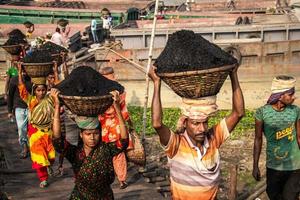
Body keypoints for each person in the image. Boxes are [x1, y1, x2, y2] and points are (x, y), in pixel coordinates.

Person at [148, 65, 245, 199]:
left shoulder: (213, 138)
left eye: (205, 122)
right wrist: (156, 83)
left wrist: (233, 74)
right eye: (195, 123)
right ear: (185, 122)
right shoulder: (176, 144)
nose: (202, 128)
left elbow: (238, 113)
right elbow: (157, 124)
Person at [52, 90, 129, 199]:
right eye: (88, 134)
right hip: (81, 196)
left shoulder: (106, 149)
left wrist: (116, 108)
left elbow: (124, 140)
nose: (92, 137)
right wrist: (57, 106)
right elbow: (57, 139)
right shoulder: (74, 152)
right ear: (81, 135)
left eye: (96, 133)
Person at [252, 75, 300, 200]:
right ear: (280, 95)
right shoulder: (262, 112)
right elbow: (258, 139)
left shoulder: (295, 111)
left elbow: (299, 137)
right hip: (274, 165)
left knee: (290, 196)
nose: (294, 97)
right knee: (273, 194)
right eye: (290, 94)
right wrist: (255, 165)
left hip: (294, 165)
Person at [17, 63, 56, 188]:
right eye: (38, 90)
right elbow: (22, 89)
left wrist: (55, 71)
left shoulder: (50, 99)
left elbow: (57, 88)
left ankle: (48, 166)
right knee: (39, 157)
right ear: (35, 91)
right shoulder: (31, 100)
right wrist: (19, 72)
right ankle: (43, 179)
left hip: (48, 132)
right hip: (35, 132)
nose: (41, 92)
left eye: (43, 90)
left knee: (50, 156)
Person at [99, 67, 134, 189]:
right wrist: (130, 124)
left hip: (108, 127)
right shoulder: (118, 91)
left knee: (112, 153)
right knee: (117, 153)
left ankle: (117, 178)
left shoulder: (103, 91)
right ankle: (121, 179)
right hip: (114, 126)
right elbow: (124, 111)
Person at [7, 71, 31, 159]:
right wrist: (9, 111)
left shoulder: (32, 78)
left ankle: (32, 146)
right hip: (19, 107)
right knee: (21, 128)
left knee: (32, 128)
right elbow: (10, 95)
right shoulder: (14, 80)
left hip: (31, 106)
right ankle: (24, 147)